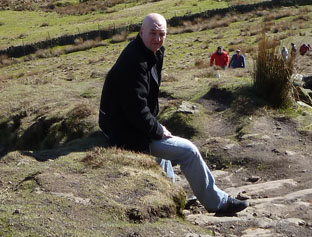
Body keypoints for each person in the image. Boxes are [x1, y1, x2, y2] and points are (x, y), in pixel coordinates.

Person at [98, 13, 248, 217]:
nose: (157, 38)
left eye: (162, 34)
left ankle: (173, 197)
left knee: (165, 156)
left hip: (127, 126)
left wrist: (155, 128)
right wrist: (158, 129)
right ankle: (218, 203)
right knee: (189, 151)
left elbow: (140, 105)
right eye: (152, 33)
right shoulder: (135, 62)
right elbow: (135, 109)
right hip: (124, 132)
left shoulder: (148, 52)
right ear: (141, 32)